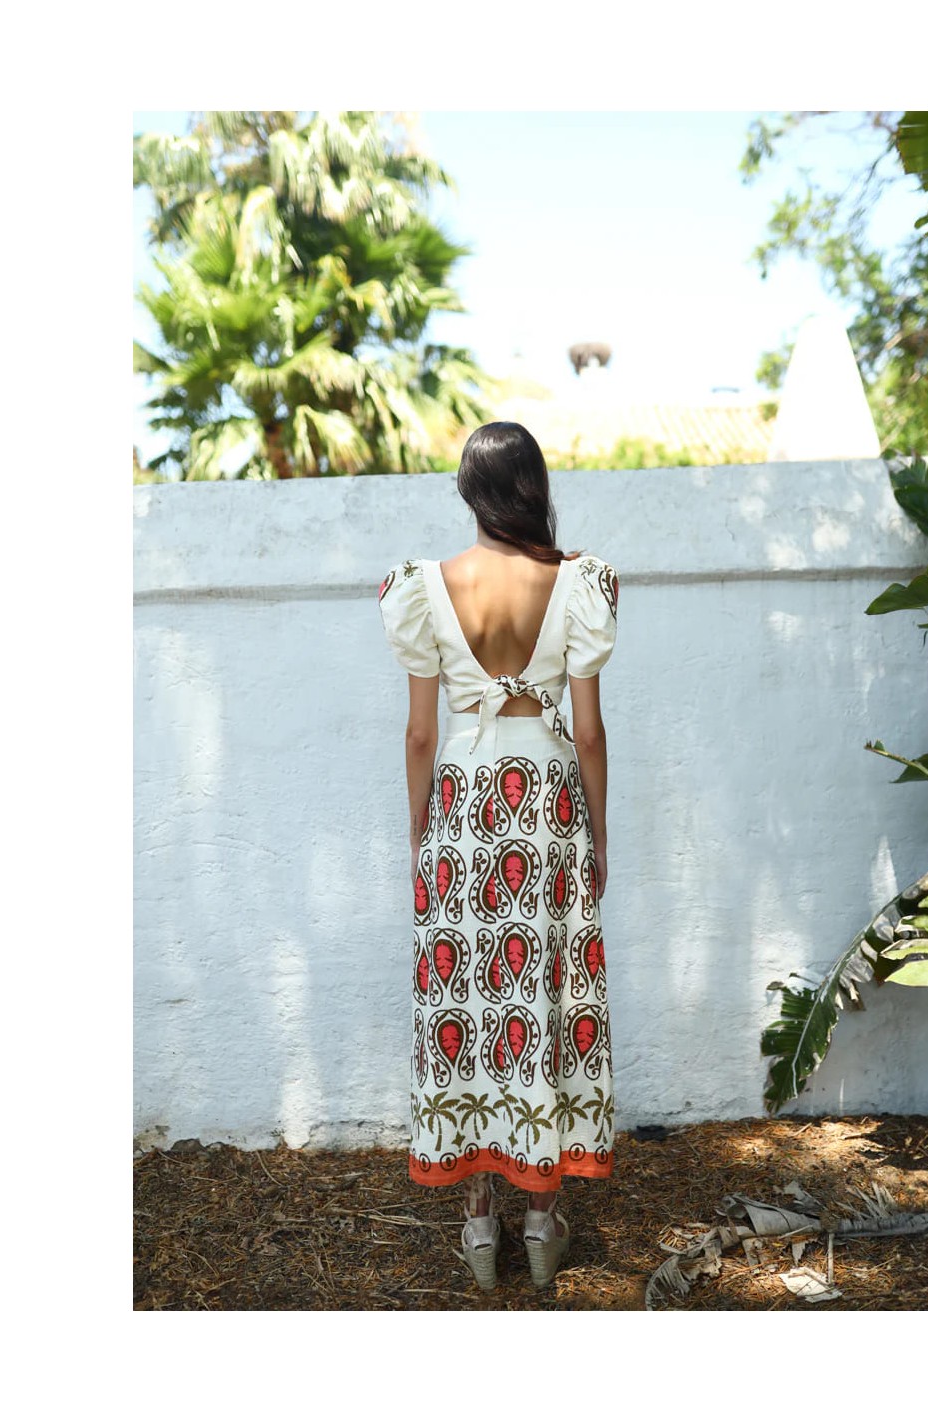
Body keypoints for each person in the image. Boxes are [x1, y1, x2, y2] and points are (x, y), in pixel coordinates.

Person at [377, 421, 619, 1293]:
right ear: (533, 487)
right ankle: (543, 1218)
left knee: (471, 994)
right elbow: (588, 731)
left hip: (466, 807)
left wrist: (422, 828)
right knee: (545, 990)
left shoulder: (423, 586)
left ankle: (480, 1223)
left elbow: (420, 732)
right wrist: (596, 833)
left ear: (470, 493)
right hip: (545, 804)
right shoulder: (578, 583)